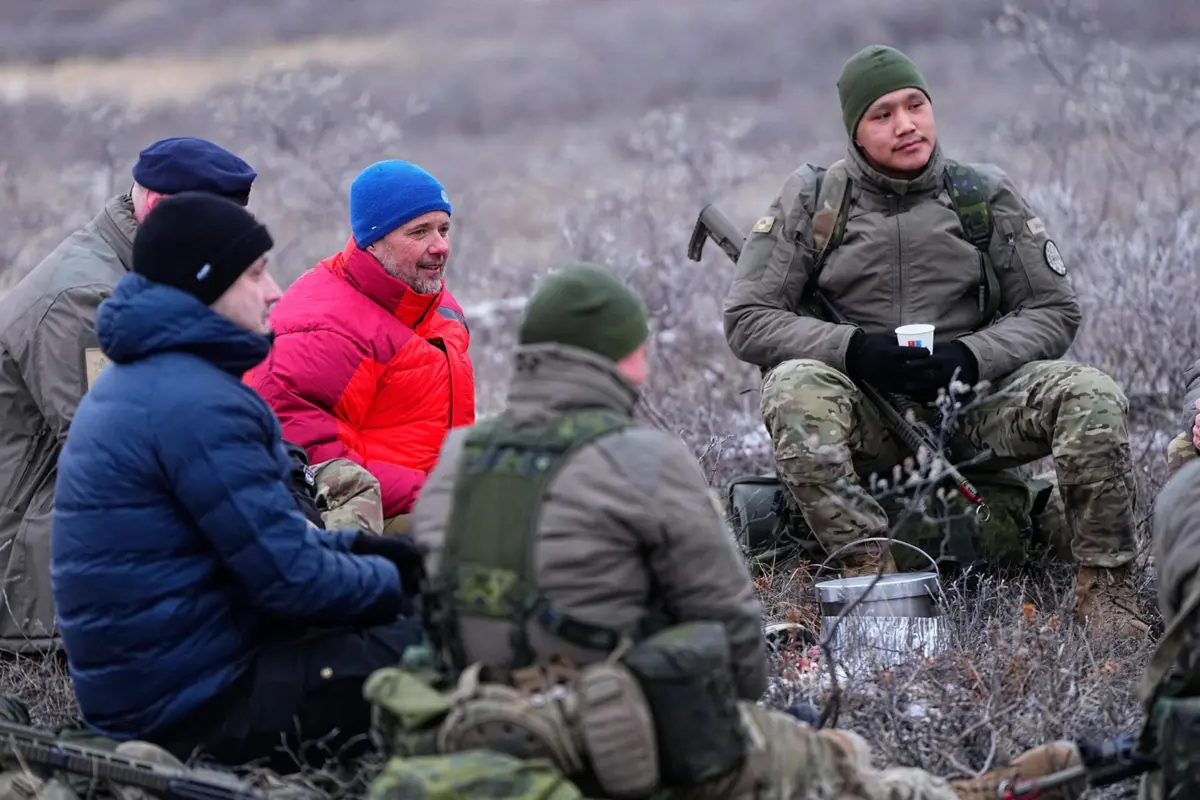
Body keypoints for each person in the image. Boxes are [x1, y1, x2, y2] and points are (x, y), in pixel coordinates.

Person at [366, 262, 1080, 800]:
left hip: (472, 719)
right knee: (836, 770)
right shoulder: (646, 459)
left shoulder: (460, 455)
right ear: (622, 357)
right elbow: (733, 631)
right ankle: (975, 792)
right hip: (623, 738)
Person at [722, 43, 1145, 639]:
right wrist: (854, 350)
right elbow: (749, 318)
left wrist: (972, 357)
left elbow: (1053, 309)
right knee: (793, 388)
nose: (905, 125)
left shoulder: (983, 196)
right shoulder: (815, 199)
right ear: (856, 131)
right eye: (883, 114)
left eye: (915, 105)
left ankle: (1109, 601)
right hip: (868, 414)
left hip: (973, 410)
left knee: (1090, 394)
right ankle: (874, 587)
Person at [50, 192, 426, 774]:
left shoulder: (154, 378)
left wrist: (374, 552)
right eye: (254, 273)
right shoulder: (195, 402)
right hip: (194, 711)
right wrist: (403, 586)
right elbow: (290, 581)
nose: (274, 290)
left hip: (158, 687)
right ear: (204, 285)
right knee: (433, 651)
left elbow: (267, 546)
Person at [0, 136, 257, 655]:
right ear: (160, 209)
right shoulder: (87, 300)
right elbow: (123, 462)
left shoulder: (153, 272)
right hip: (27, 563)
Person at [245, 159, 476, 531]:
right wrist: (441, 492)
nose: (441, 246)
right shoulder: (323, 330)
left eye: (444, 229)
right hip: (366, 520)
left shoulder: (436, 305)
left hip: (435, 500)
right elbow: (311, 460)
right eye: (419, 232)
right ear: (374, 239)